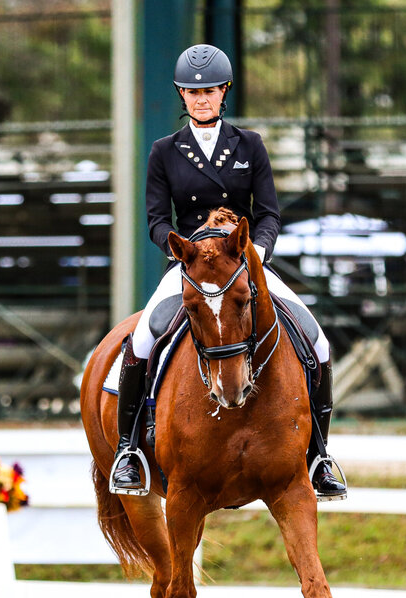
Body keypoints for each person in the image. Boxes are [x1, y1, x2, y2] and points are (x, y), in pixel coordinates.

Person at [111, 43, 347, 501]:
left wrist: (256, 253)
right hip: (193, 265)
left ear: (224, 92)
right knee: (141, 339)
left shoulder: (249, 145)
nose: (202, 99)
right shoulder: (165, 151)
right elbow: (157, 219)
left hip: (243, 263)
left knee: (318, 341)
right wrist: (182, 250)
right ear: (182, 96)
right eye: (193, 92)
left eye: (211, 91)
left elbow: (270, 214)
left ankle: (318, 456)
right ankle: (128, 451)